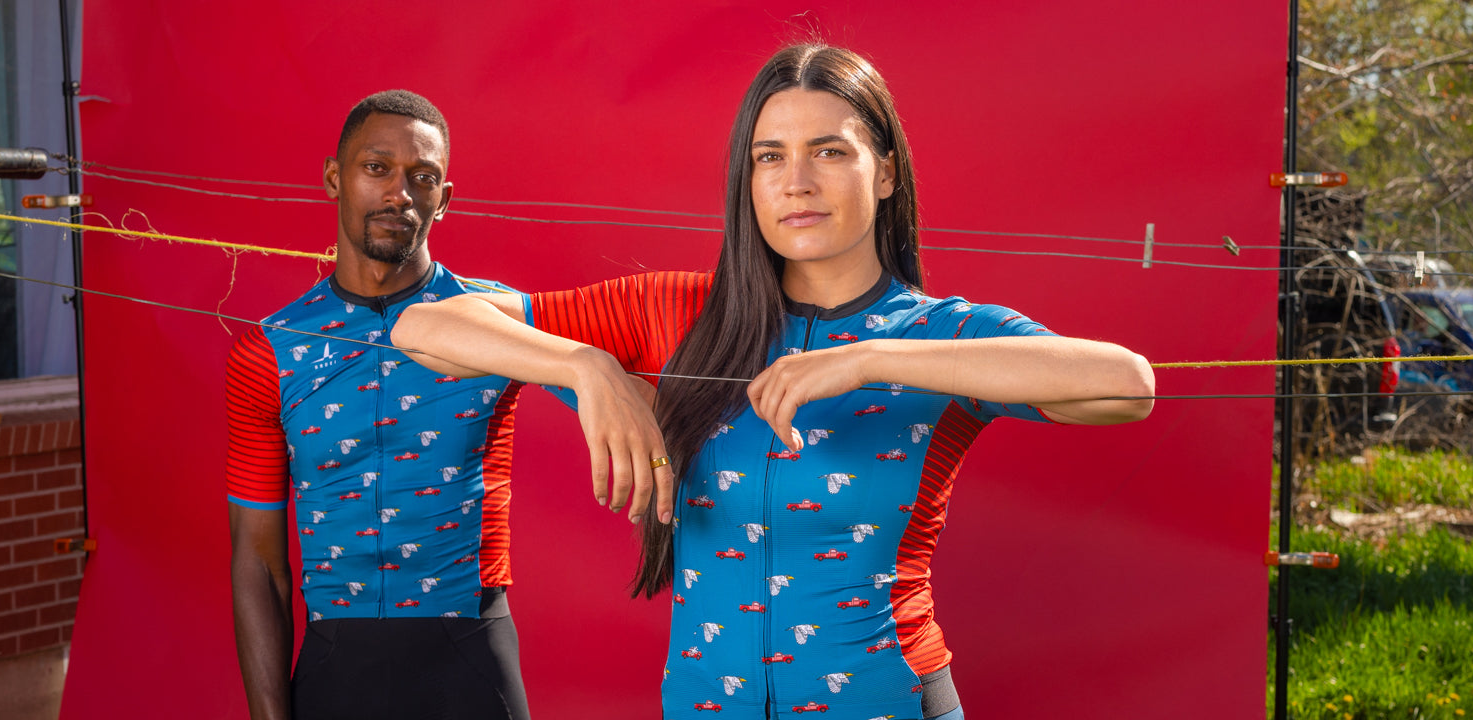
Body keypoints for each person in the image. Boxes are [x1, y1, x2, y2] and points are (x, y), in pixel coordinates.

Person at [391, 45, 1155, 720]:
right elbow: (423, 327)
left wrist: (873, 358)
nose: (796, 182)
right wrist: (584, 367)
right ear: (745, 179)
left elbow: (1127, 385)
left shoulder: (944, 335)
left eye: (829, 152)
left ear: (885, 171)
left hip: (888, 701)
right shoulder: (673, 311)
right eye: (769, 156)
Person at [224, 90, 532, 720]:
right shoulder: (270, 351)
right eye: (377, 168)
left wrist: (610, 385)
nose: (401, 194)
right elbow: (258, 561)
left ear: (444, 199)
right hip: (338, 664)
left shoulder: (498, 319)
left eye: (423, 178)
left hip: (472, 656)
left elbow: (629, 343)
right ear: (335, 178)